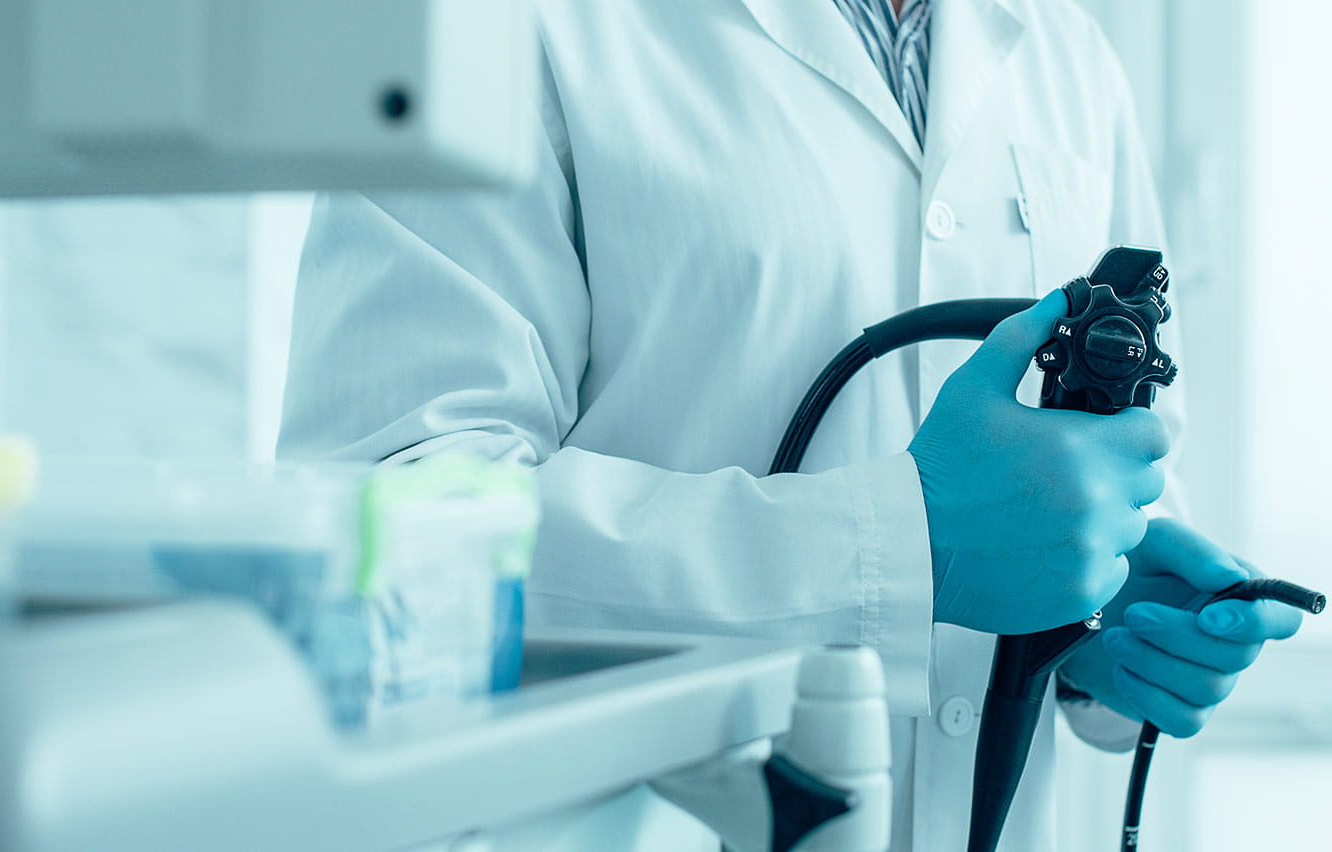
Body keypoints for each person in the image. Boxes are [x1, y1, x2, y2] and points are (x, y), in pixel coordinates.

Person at [278, 1, 1303, 849]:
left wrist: (1096, 611)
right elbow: (387, 537)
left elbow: (1115, 465)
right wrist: (905, 547)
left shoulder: (1066, 49)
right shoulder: (489, 27)